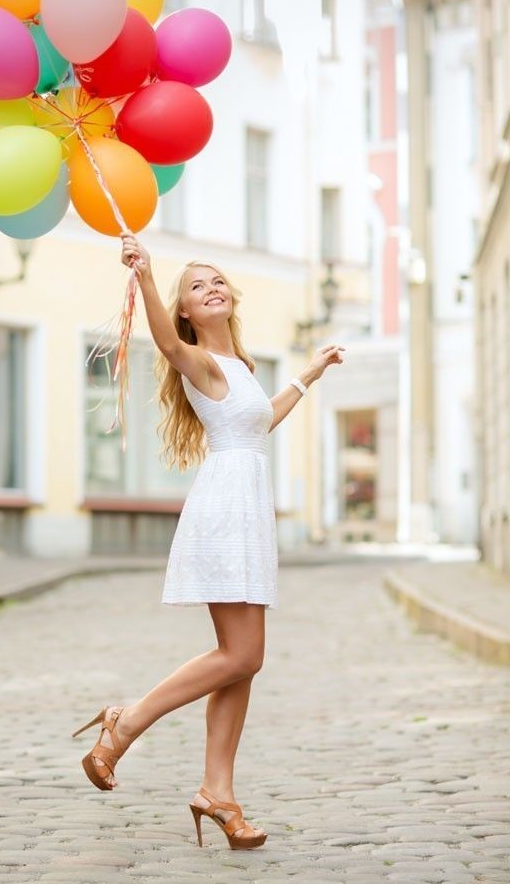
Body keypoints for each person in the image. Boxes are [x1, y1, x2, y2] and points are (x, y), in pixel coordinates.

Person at [72, 230, 345, 850]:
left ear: (231, 299)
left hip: (247, 509)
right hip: (225, 511)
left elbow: (262, 422)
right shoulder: (195, 358)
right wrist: (144, 273)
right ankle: (126, 724)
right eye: (196, 286)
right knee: (243, 655)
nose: (212, 286)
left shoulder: (242, 369)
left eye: (218, 278)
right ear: (189, 313)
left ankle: (217, 793)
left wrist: (312, 371)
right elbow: (164, 344)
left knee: (242, 664)